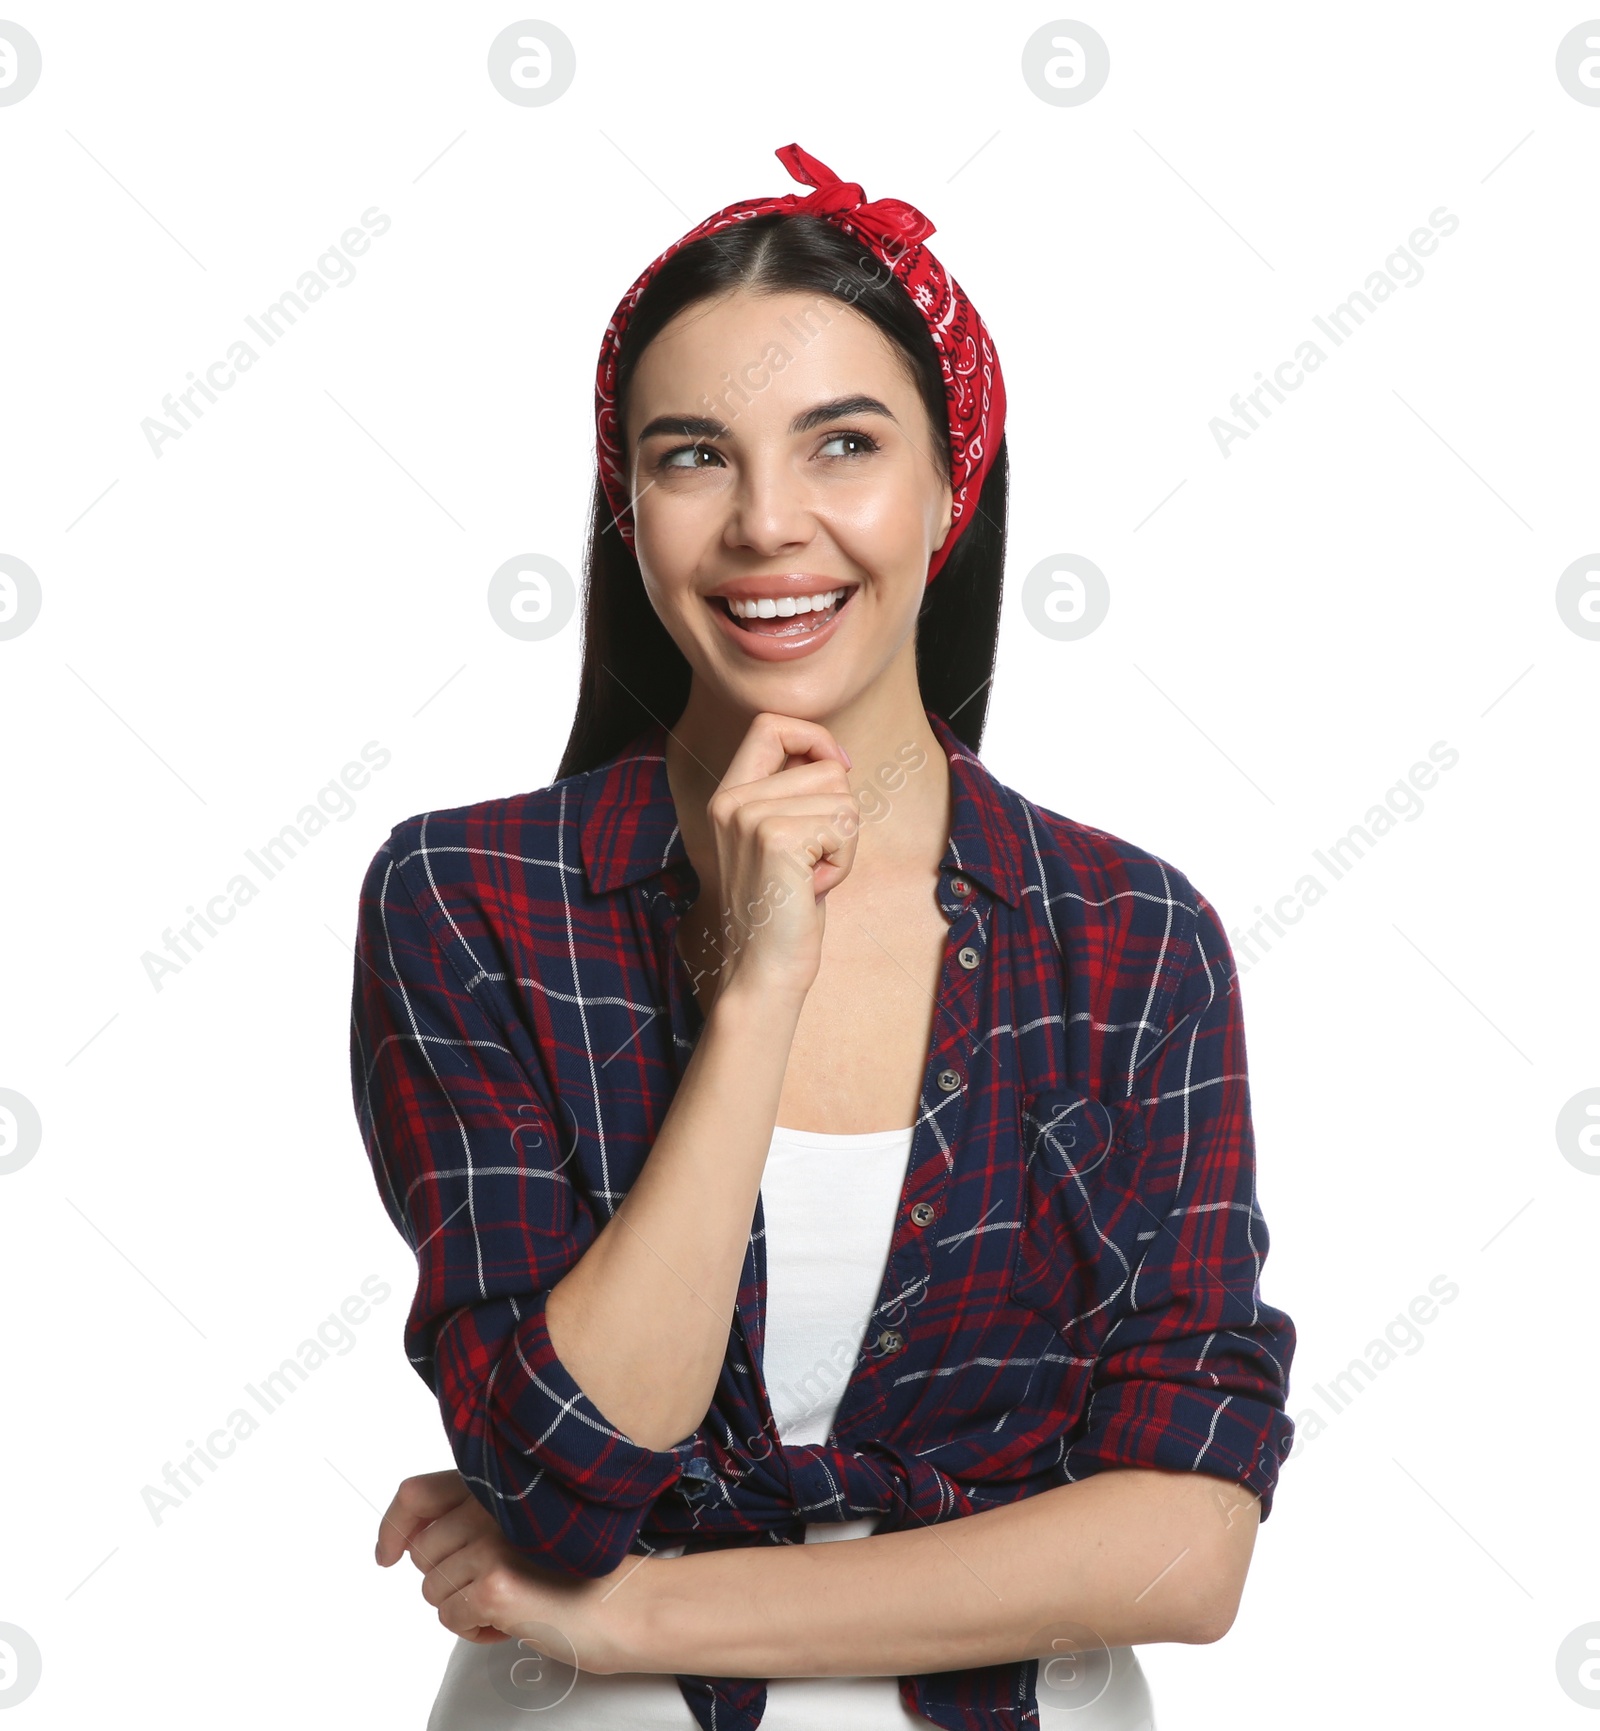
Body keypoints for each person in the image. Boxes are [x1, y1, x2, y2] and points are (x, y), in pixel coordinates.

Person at [347, 143, 1297, 1731]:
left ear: (951, 482)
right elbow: (570, 1472)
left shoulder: (1134, 937)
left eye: (841, 444)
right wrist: (757, 988)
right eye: (693, 457)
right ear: (630, 510)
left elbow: (1189, 1542)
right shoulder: (469, 897)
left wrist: (635, 1606)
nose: (768, 525)